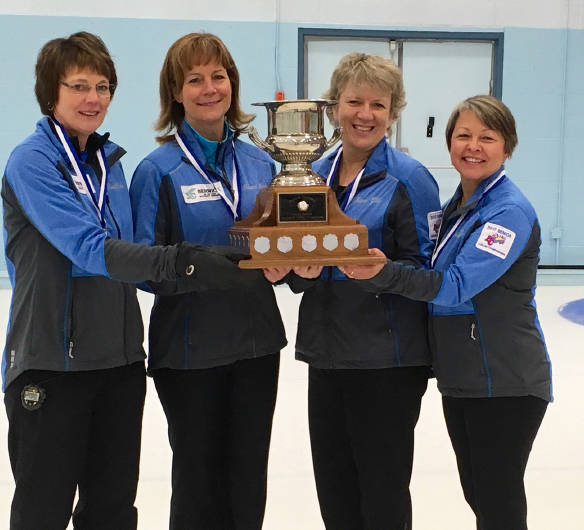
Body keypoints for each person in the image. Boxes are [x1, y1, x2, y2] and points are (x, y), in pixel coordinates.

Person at [1, 31, 254, 530]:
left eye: (102, 86)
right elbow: (89, 249)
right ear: (51, 93)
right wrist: (185, 262)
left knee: (113, 511)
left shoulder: (107, 163)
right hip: (51, 363)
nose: (92, 98)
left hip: (118, 365)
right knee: (42, 510)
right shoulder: (32, 162)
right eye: (78, 86)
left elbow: (133, 248)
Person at [342, 95, 552, 530]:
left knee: (497, 501)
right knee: (481, 493)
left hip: (506, 380)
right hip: (465, 377)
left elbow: (454, 287)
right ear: (449, 143)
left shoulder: (507, 211)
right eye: (463, 136)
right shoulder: (461, 204)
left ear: (507, 148)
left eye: (487, 138)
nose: (473, 146)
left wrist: (383, 273)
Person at [129, 32, 286, 530]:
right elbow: (145, 266)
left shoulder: (262, 163)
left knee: (247, 479)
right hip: (190, 350)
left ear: (233, 86)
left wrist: (291, 268)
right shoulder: (158, 170)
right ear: (176, 92)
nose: (208, 88)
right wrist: (213, 266)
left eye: (218, 76)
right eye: (194, 79)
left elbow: (283, 244)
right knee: (198, 483)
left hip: (258, 346)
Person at [284, 53, 441, 530]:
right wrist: (301, 273)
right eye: (354, 101)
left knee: (382, 492)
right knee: (334, 489)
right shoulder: (312, 174)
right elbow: (295, 268)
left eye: (379, 104)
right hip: (326, 356)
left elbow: (425, 273)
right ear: (335, 107)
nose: (365, 114)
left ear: (393, 113)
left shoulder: (410, 179)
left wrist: (379, 273)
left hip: (386, 364)